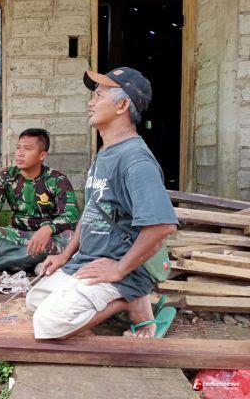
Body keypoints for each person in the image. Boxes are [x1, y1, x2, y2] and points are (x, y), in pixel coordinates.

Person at [26, 67, 178, 339]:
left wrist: (119, 269)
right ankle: (121, 298)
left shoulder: (136, 161)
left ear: (122, 105)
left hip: (122, 266)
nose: (91, 102)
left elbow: (162, 226)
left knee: (48, 325)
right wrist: (65, 255)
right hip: (88, 261)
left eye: (99, 95)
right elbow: (93, 212)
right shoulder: (106, 152)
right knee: (35, 299)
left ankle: (131, 298)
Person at [0, 128, 80, 274]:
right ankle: (32, 260)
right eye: (18, 148)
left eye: (27, 149)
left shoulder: (56, 179)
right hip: (18, 235)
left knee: (70, 240)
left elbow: (71, 214)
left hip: (48, 238)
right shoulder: (6, 177)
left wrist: (47, 229)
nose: (20, 153)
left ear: (42, 155)